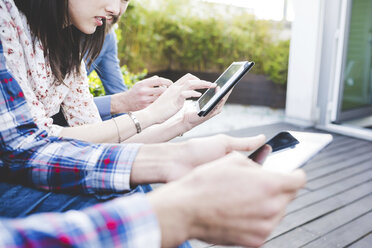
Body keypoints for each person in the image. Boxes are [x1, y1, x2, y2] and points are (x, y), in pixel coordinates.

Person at [0, 39, 306, 246]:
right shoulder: (12, 33)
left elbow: (74, 145)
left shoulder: (84, 40)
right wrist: (145, 116)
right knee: (129, 192)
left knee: (132, 186)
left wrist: (179, 129)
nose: (116, 8)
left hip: (39, 160)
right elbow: (29, 145)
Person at [2, 0, 222, 146]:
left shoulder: (72, 46)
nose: (116, 10)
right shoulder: (8, 20)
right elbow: (30, 140)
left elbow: (97, 138)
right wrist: (147, 114)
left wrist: (184, 122)